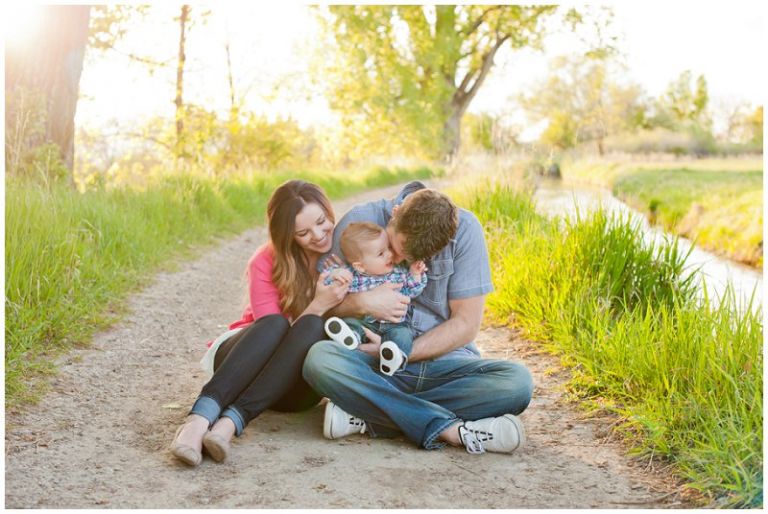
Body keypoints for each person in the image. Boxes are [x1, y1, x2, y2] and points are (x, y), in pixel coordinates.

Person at [302, 181, 534, 455]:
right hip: (373, 367)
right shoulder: (359, 223)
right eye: (397, 247)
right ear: (396, 212)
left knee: (517, 383)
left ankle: (370, 416)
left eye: (412, 256)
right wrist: (362, 302)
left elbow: (466, 324)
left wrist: (401, 354)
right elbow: (324, 308)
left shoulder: (468, 232)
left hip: (443, 368)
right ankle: (450, 429)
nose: (397, 258)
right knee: (319, 359)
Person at [169, 180, 351, 466]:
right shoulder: (266, 261)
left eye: (321, 222)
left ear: (329, 211)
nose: (318, 235)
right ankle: (198, 421)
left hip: (293, 389)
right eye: (303, 233)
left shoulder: (346, 256)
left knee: (314, 329)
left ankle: (229, 423)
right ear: (287, 235)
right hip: (243, 365)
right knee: (275, 323)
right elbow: (274, 334)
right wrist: (319, 305)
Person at [323, 221, 427, 375]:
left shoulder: (398, 273)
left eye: (388, 249)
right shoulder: (352, 276)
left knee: (404, 335)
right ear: (360, 266)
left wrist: (415, 274)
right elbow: (327, 286)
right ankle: (351, 338)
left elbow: (411, 290)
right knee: (350, 322)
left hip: (394, 324)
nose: (390, 255)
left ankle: (394, 357)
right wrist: (334, 274)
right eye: (381, 253)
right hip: (364, 323)